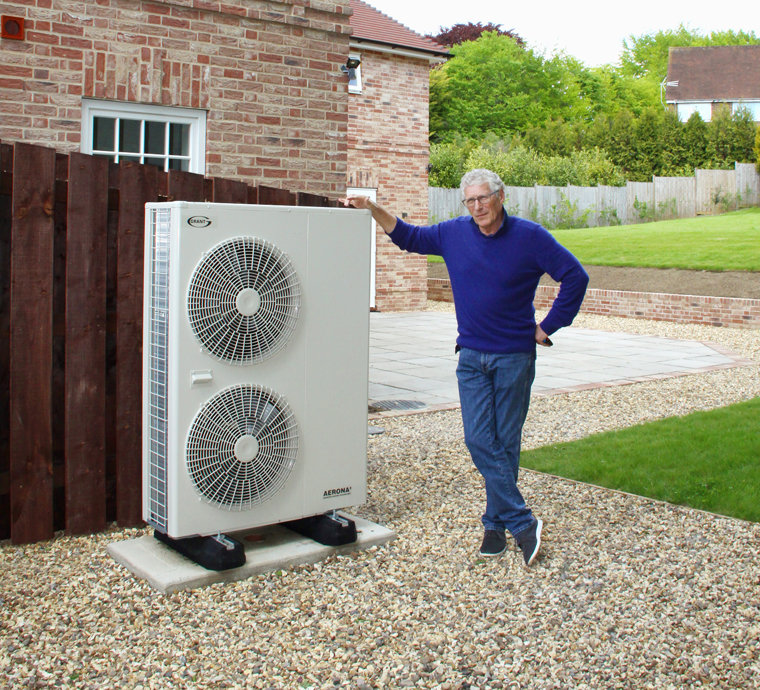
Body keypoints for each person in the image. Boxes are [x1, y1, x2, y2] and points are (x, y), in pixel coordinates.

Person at [340, 169, 588, 566]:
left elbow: (576, 276)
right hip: (471, 357)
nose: (477, 208)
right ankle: (523, 522)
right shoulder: (454, 233)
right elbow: (407, 236)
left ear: (500, 196)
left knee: (504, 444)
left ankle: (493, 524)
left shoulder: (530, 236)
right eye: (470, 201)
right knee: (478, 440)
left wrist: (547, 327)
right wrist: (370, 207)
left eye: (483, 199)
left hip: (514, 358)